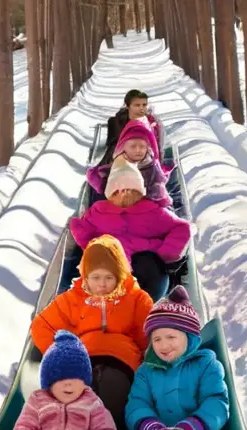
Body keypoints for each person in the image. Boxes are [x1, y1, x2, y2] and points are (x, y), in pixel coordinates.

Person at [31, 235, 154, 430]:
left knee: (111, 397)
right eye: (96, 277)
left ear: (120, 276)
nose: (102, 284)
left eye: (109, 277)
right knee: (75, 400)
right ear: (86, 277)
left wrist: (145, 361)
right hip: (82, 361)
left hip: (121, 362)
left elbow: (148, 333)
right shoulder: (73, 299)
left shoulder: (136, 298)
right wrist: (59, 354)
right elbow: (42, 325)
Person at [118, 286, 230, 430]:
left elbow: (216, 402)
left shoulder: (206, 365)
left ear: (189, 336)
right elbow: (138, 404)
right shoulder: (146, 371)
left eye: (171, 337)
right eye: (157, 339)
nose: (164, 345)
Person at [71, 156, 191, 301]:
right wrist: (92, 246)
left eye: (131, 189)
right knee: (104, 266)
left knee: (150, 267)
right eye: (118, 190)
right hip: (110, 267)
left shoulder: (153, 212)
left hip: (146, 266)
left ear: (140, 191)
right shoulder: (99, 211)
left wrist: (167, 253)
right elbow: (84, 229)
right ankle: (107, 305)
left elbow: (181, 227)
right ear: (110, 192)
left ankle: (146, 306)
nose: (125, 194)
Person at [12, 330, 117, 430]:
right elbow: (22, 429)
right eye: (60, 378)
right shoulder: (37, 402)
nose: (68, 384)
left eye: (75, 378)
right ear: (49, 381)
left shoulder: (92, 403)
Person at [89, 120, 172, 208]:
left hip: (143, 209)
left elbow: (160, 193)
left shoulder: (152, 167)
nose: (138, 150)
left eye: (142, 147)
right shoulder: (116, 165)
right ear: (123, 147)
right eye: (133, 146)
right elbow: (100, 185)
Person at [103, 89, 161, 164]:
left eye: (144, 105)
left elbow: (157, 147)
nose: (141, 108)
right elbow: (112, 147)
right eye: (137, 105)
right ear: (128, 106)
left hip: (147, 161)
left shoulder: (151, 122)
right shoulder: (116, 122)